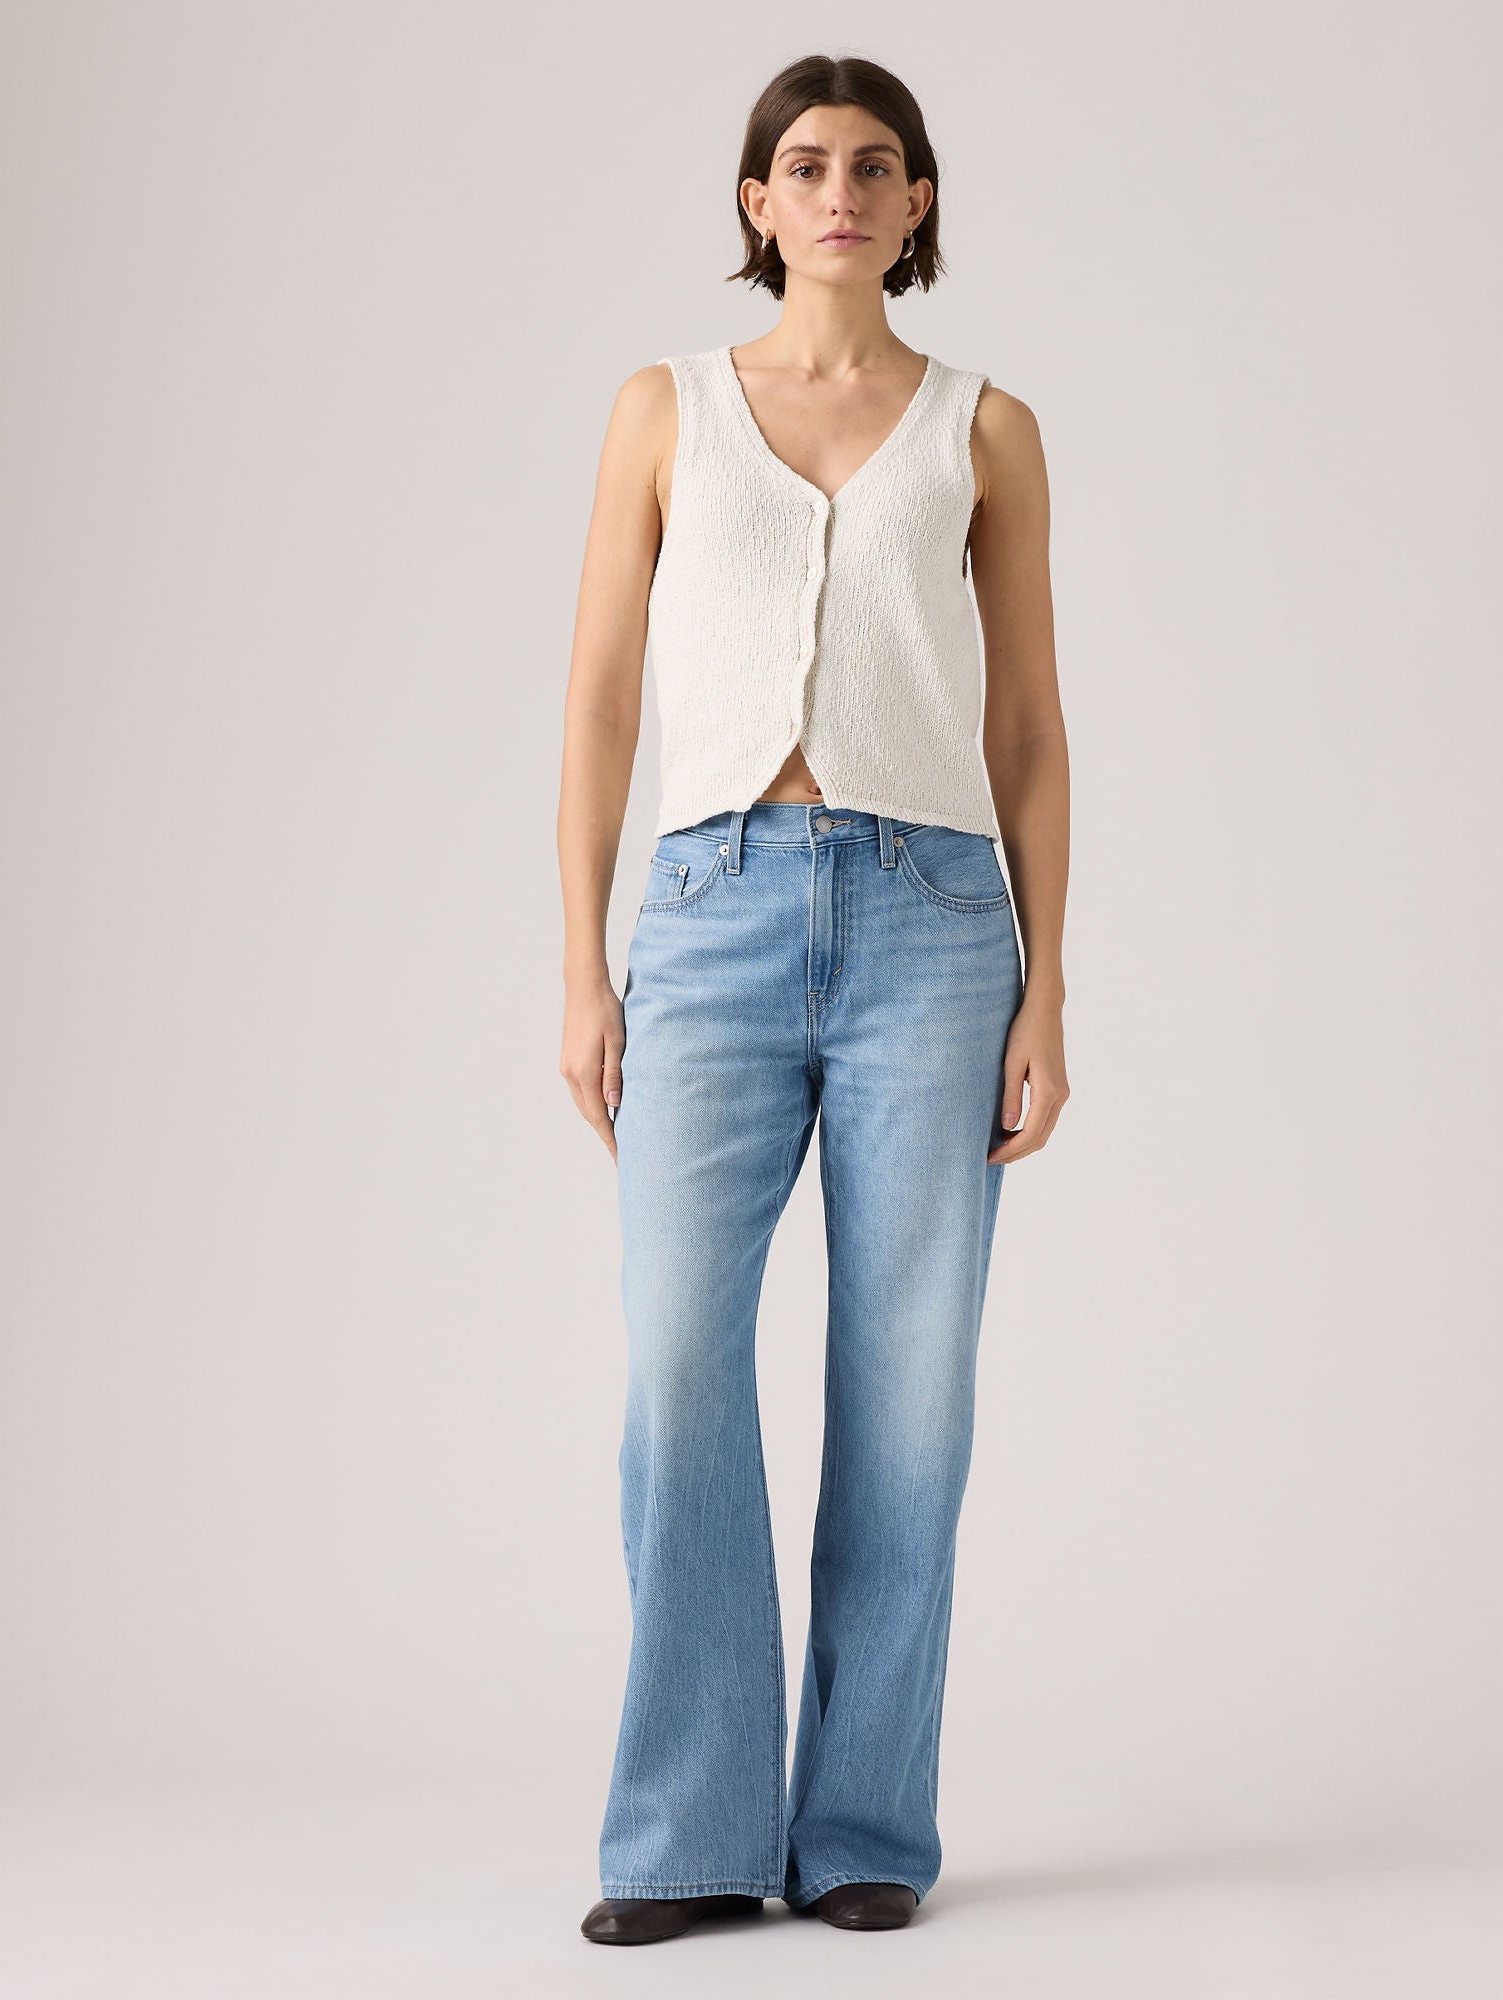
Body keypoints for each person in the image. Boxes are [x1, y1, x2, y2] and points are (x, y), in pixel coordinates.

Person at [556, 52, 1071, 1947]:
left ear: (917, 202)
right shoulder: (664, 411)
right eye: (803, 164)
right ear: (756, 202)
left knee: (910, 1392)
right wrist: (582, 965)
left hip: (936, 924)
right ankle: (690, 1833)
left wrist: (1050, 987)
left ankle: (860, 1826)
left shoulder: (986, 430)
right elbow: (601, 700)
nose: (838, 191)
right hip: (709, 917)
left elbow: (1028, 724)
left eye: (874, 165)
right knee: (679, 1370)